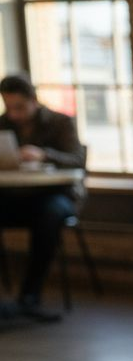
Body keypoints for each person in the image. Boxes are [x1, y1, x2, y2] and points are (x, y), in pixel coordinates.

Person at [0, 72, 86, 322]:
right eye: (8, 107)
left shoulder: (60, 123)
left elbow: (78, 160)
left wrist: (44, 155)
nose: (13, 113)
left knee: (48, 216)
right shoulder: (3, 125)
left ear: (33, 100)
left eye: (19, 107)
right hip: (15, 196)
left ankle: (30, 296)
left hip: (56, 196)